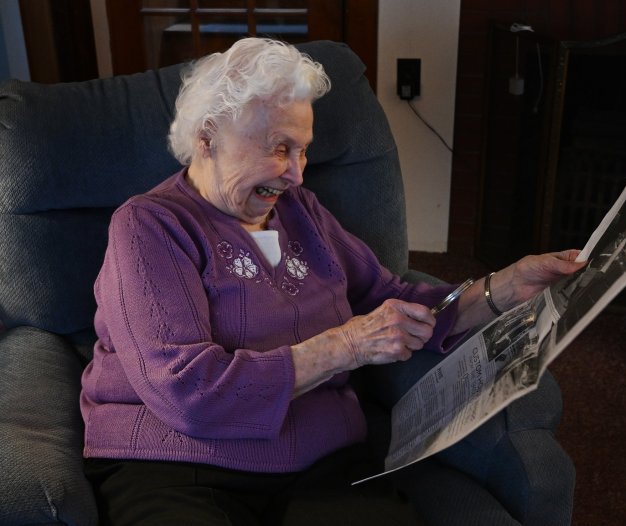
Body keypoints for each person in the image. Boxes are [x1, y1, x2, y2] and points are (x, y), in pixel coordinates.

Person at [80, 37, 586, 525]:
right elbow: (186, 392)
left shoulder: (300, 211)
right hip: (177, 466)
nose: (297, 174)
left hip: (320, 463)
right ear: (207, 137)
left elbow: (395, 299)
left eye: (303, 152)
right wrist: (346, 345)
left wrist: (504, 289)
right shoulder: (150, 225)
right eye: (280, 149)